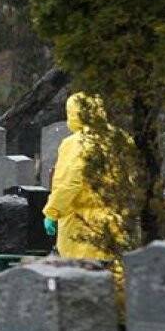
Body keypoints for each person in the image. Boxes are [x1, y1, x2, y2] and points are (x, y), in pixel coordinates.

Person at [43, 92, 122, 260]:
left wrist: (52, 212)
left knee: (81, 277)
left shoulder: (75, 144)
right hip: (114, 222)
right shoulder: (119, 139)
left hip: (81, 224)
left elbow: (69, 182)